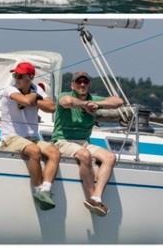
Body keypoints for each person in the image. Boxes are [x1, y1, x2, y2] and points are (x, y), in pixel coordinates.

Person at [52, 71, 124, 217]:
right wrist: (85, 105)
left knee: (110, 157)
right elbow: (67, 102)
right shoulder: (64, 95)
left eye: (85, 82)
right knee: (84, 155)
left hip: (84, 142)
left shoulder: (93, 99)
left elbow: (118, 102)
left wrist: (97, 104)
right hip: (62, 141)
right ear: (72, 84)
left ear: (89, 85)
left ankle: (97, 196)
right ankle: (91, 198)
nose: (82, 84)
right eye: (79, 82)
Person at [0, 61, 59, 210]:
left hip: (32, 138)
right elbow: (25, 101)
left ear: (30, 77)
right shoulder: (10, 89)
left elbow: (51, 107)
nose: (16, 78)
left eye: (20, 75)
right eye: (15, 75)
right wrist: (35, 96)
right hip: (11, 138)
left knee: (54, 152)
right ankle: (38, 189)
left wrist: (35, 97)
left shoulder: (36, 88)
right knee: (34, 151)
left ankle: (45, 189)